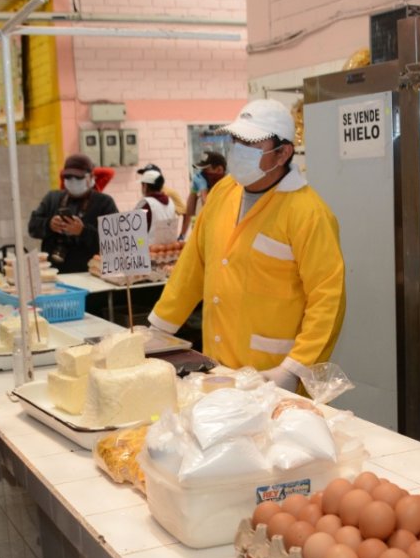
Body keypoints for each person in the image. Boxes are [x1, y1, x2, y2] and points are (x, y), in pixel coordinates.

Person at [148, 99, 346, 391]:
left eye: (251, 143)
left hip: (271, 374)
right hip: (216, 367)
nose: (237, 149)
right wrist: (159, 330)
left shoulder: (308, 212)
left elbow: (328, 297)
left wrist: (294, 368)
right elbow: (193, 266)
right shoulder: (223, 193)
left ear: (283, 153)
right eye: (236, 139)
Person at [27, 153, 118, 273]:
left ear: (90, 177)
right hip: (54, 273)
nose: (73, 181)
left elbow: (115, 241)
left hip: (90, 274)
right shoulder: (52, 198)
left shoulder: (104, 203)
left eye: (78, 178)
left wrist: (83, 231)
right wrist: (49, 224)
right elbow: (32, 227)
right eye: (68, 177)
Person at [183, 150, 227, 237]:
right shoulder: (205, 185)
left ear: (219, 170)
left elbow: (210, 210)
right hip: (200, 236)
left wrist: (203, 190)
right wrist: (194, 191)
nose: (202, 174)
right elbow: (190, 212)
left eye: (206, 170)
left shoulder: (226, 187)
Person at [136, 168, 179, 246]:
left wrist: (139, 247)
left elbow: (137, 230)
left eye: (142, 185)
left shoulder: (146, 204)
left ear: (145, 185)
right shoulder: (170, 202)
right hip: (167, 250)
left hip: (150, 251)